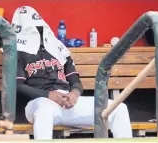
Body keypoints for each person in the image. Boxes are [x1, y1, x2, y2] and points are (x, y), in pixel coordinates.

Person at [13, 6, 132, 140]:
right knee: (44, 111)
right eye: (32, 30)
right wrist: (48, 95)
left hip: (67, 103)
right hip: (39, 103)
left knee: (119, 109)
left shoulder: (57, 50)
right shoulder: (18, 53)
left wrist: (75, 93)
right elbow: (18, 86)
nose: (38, 33)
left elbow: (75, 81)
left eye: (40, 29)